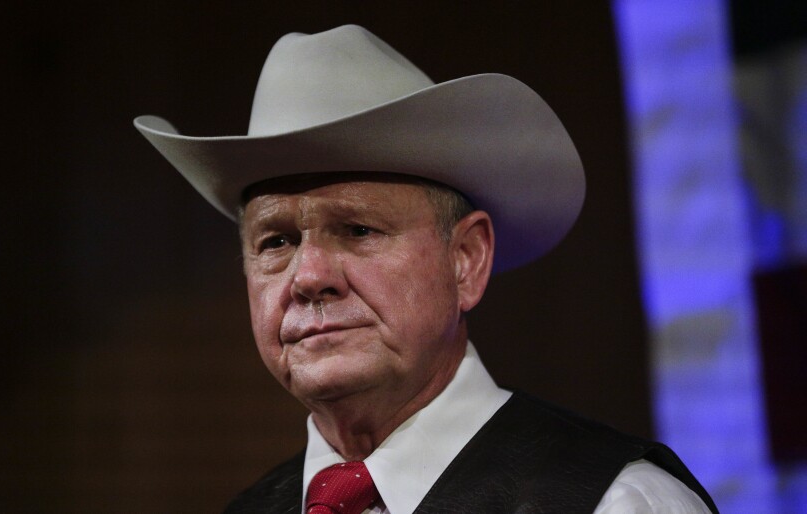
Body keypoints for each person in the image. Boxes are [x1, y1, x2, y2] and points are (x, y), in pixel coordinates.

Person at [135, 24, 717, 514]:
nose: (309, 276)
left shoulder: (616, 503)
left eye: (359, 230)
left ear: (466, 260)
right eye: (277, 241)